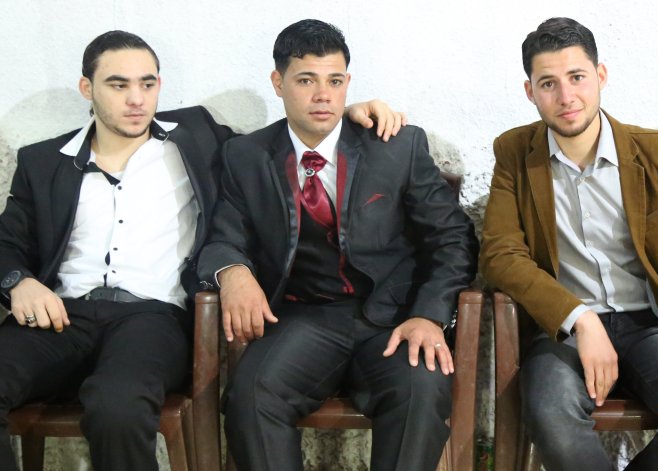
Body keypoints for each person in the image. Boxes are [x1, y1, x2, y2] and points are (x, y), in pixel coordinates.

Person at [0, 30, 402, 471]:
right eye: (118, 85)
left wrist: (347, 114)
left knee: (117, 407)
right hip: (60, 315)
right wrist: (18, 282)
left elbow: (282, 140)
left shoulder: (198, 136)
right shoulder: (43, 161)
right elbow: (8, 243)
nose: (136, 99)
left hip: (151, 319)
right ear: (87, 88)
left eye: (147, 84)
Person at [197, 19, 478, 471]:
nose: (322, 96)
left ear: (348, 83)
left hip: (393, 317)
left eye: (334, 81)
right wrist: (232, 273)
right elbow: (221, 237)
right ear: (278, 83)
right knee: (250, 396)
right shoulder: (245, 156)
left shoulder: (396, 146)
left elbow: (452, 238)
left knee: (421, 391)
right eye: (306, 80)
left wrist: (429, 314)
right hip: (302, 317)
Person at [479, 17, 658, 471]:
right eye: (548, 83)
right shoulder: (514, 153)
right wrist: (580, 319)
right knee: (550, 415)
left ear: (600, 76)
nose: (566, 97)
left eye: (577, 77)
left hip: (656, 324)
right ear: (530, 92)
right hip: (566, 330)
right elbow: (500, 255)